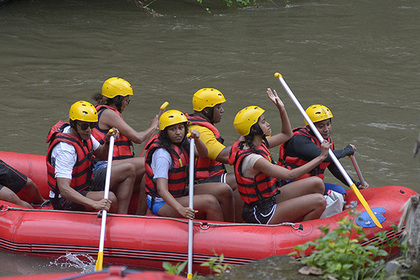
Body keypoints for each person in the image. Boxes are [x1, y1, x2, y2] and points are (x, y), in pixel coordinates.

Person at [228, 89, 331, 224]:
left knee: (317, 183)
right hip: (261, 213)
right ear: (254, 129)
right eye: (263, 122)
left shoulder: (258, 143)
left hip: (270, 198)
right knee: (319, 201)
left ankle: (298, 216)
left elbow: (287, 135)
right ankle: (299, 234)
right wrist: (321, 157)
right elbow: (291, 175)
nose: (268, 124)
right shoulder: (254, 159)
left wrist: (281, 108)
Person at [46, 100, 136, 214]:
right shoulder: (65, 150)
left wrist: (107, 140)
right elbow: (64, 190)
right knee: (110, 198)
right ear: (73, 124)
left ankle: (123, 217)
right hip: (66, 199)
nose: (89, 130)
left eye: (92, 125)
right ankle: (113, 224)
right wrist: (94, 204)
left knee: (129, 169)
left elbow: (102, 155)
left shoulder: (84, 135)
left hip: (85, 183)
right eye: (84, 126)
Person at [144, 109, 234, 222]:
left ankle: (231, 226)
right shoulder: (163, 155)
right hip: (162, 202)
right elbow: (162, 190)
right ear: (165, 132)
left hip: (180, 191)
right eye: (173, 129)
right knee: (210, 202)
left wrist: (197, 140)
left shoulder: (184, 142)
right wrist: (180, 209)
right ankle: (217, 234)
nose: (178, 133)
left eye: (181, 128)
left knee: (224, 190)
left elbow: (203, 154)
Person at [91, 77, 159, 215]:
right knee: (150, 161)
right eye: (126, 100)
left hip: (112, 165)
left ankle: (141, 214)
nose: (126, 104)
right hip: (102, 166)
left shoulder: (102, 111)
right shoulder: (108, 113)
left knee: (146, 176)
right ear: (117, 99)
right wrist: (153, 126)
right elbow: (138, 138)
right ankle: (135, 215)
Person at [278, 104, 369, 197]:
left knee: (340, 192)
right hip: (290, 184)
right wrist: (346, 151)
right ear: (309, 127)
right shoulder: (299, 140)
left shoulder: (326, 141)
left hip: (313, 184)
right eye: (321, 126)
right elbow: (324, 156)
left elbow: (334, 167)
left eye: (328, 124)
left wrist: (355, 184)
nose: (326, 129)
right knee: (331, 195)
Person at [186, 88, 241, 221]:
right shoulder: (200, 131)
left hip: (209, 177)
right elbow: (225, 156)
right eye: (218, 107)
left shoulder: (202, 127)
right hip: (198, 182)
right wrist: (246, 136)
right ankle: (232, 224)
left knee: (242, 177)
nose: (222, 111)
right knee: (241, 179)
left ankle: (240, 218)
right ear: (206, 110)